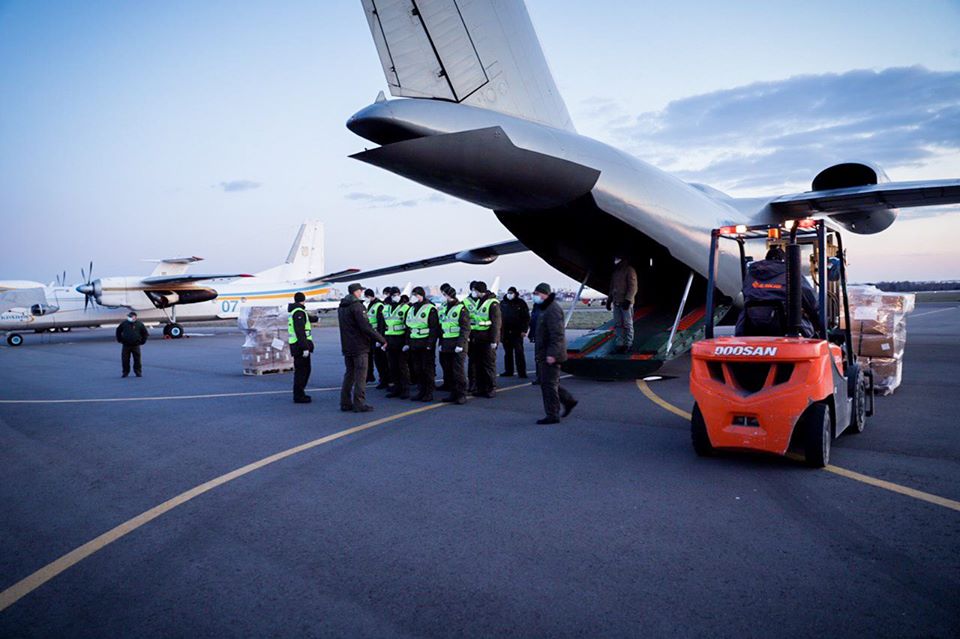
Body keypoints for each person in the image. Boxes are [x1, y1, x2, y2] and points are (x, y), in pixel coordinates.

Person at [735, 246, 820, 338]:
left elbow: (745, 296)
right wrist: (818, 320)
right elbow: (812, 302)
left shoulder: (751, 275)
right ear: (783, 260)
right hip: (787, 330)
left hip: (750, 329)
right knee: (813, 333)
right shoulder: (792, 273)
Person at [532, 283, 577, 424]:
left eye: (537, 293)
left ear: (544, 294)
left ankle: (553, 414)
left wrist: (552, 354)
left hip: (550, 354)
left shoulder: (552, 310)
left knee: (548, 385)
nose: (535, 297)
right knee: (549, 383)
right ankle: (568, 401)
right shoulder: (545, 308)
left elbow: (557, 334)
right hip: (545, 352)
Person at [338, 283, 387, 412]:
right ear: (356, 291)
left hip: (347, 345)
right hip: (359, 346)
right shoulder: (357, 306)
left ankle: (345, 402)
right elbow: (366, 327)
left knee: (349, 374)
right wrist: (381, 340)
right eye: (360, 291)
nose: (361, 293)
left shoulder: (342, 306)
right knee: (360, 376)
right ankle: (359, 403)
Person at [437, 283, 471, 404]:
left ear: (448, 295)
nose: (443, 297)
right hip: (446, 343)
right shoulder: (445, 308)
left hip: (457, 343)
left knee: (458, 371)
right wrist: (441, 343)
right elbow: (442, 327)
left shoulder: (461, 308)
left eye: (444, 294)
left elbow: (465, 328)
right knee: (449, 370)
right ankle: (453, 393)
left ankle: (461, 395)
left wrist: (460, 345)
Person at [406, 286, 441, 401]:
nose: (414, 298)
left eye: (416, 295)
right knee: (417, 369)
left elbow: (434, 328)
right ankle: (421, 391)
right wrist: (408, 342)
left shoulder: (430, 308)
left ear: (421, 295)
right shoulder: (411, 308)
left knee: (427, 369)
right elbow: (408, 327)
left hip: (425, 343)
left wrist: (430, 344)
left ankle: (429, 392)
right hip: (414, 343)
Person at [468, 280, 501, 398]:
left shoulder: (493, 303)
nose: (474, 293)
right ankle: (481, 388)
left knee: (488, 365)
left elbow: (496, 324)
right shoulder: (480, 302)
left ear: (479, 291)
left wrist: (494, 340)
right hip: (477, 338)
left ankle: (491, 388)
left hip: (487, 339)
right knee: (479, 365)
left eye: (475, 290)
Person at [383, 287, 412, 399]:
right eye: (393, 294)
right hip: (390, 341)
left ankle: (405, 389)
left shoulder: (405, 308)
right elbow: (383, 326)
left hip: (401, 340)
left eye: (396, 294)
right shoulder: (386, 308)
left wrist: (407, 342)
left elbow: (409, 326)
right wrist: (383, 341)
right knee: (393, 366)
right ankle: (396, 388)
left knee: (402, 366)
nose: (395, 296)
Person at [607, 255, 638, 353]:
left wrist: (628, 300)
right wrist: (609, 300)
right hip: (616, 301)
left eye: (618, 258)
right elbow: (612, 287)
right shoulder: (615, 272)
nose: (616, 261)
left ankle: (628, 344)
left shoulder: (629, 270)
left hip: (625, 302)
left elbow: (633, 287)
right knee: (618, 324)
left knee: (628, 324)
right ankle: (619, 344)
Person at [287, 292, 314, 403]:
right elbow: (300, 331)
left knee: (302, 370)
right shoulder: (298, 312)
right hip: (300, 346)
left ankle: (300, 393)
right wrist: (305, 348)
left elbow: (305, 320)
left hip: (296, 345)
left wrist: (315, 318)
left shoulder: (296, 311)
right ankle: (299, 395)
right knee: (303, 371)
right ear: (303, 300)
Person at [499, 286, 530, 378]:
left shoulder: (521, 303)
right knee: (507, 353)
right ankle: (509, 371)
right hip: (505, 332)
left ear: (515, 294)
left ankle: (522, 372)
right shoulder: (503, 303)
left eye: (511, 293)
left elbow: (526, 318)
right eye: (508, 292)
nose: (509, 294)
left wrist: (524, 330)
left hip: (517, 332)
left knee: (519, 352)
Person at [365, 288, 391, 389]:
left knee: (382, 360)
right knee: (376, 359)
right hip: (372, 336)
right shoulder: (371, 305)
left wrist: (380, 339)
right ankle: (376, 377)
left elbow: (381, 324)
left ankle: (385, 379)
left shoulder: (379, 306)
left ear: (369, 296)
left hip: (377, 336)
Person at [115, 311, 149, 378]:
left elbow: (145, 333)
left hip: (136, 345)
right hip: (126, 345)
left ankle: (138, 372)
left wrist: (142, 341)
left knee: (137, 360)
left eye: (130, 316)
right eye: (129, 316)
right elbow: (118, 331)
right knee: (125, 360)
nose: (129, 318)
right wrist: (120, 339)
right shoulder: (124, 323)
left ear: (135, 317)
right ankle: (125, 372)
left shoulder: (139, 324)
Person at [463, 281, 480, 394]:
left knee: (483, 361)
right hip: (471, 334)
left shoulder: (483, 301)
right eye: (473, 289)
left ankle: (482, 383)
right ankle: (473, 383)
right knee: (472, 361)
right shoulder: (465, 302)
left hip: (482, 334)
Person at [528, 298, 542, 386]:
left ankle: (549, 377)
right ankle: (539, 376)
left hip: (545, 336)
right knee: (538, 357)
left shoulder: (549, 308)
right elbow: (533, 321)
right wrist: (531, 334)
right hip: (537, 335)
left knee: (544, 357)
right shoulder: (536, 307)